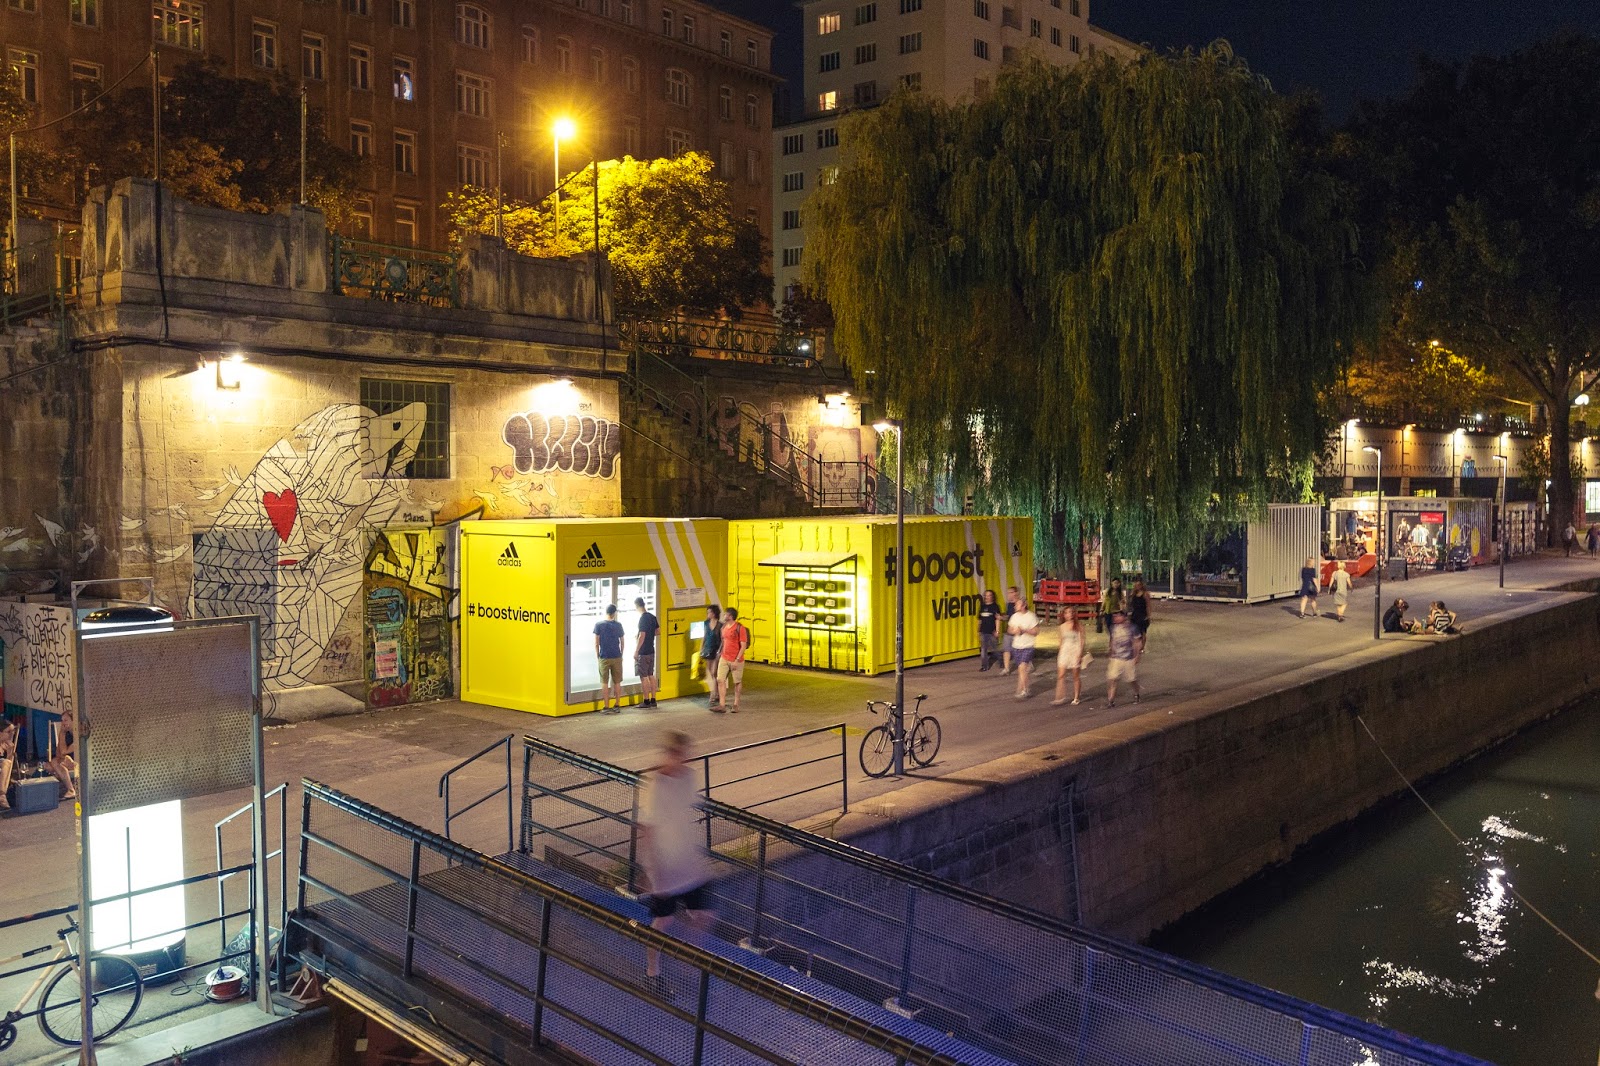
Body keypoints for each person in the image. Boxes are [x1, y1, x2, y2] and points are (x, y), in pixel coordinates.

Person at [637, 730, 713, 984]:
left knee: (704, 915)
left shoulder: (688, 777)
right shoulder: (655, 785)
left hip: (687, 861)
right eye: (679, 754)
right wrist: (653, 871)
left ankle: (688, 959)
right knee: (663, 919)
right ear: (669, 754)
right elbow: (648, 828)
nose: (683, 760)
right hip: (665, 863)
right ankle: (652, 971)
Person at [716, 607, 750, 713]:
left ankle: (736, 704)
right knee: (720, 680)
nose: (724, 616)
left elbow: (743, 646)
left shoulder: (740, 628)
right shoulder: (724, 627)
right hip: (724, 657)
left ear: (730, 616)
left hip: (736, 659)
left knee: (737, 682)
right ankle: (722, 705)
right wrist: (720, 652)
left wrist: (737, 659)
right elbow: (723, 641)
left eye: (725, 614)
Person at [594, 605, 627, 713]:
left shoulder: (598, 625)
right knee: (617, 682)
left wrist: (598, 655)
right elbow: (622, 642)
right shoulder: (618, 625)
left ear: (606, 612)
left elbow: (596, 643)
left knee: (604, 682)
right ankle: (617, 704)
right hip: (616, 656)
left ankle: (606, 706)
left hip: (604, 656)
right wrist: (621, 654)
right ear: (614, 613)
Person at [1052, 611, 1090, 707]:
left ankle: (1076, 697)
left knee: (1075, 676)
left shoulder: (1078, 626)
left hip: (1075, 651)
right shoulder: (1062, 627)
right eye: (1066, 613)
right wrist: (1060, 652)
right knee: (1060, 675)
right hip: (1065, 651)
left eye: (1070, 612)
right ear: (1064, 615)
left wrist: (1079, 654)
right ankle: (1059, 697)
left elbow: (1082, 641)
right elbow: (1061, 640)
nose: (1069, 614)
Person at [1105, 610, 1140, 707]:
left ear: (1124, 617)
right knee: (1112, 678)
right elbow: (1112, 640)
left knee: (1131, 679)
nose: (1115, 618)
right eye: (1114, 616)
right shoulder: (1113, 628)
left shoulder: (1132, 628)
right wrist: (1111, 651)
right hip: (1116, 658)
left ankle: (1136, 693)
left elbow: (1137, 642)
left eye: (1118, 616)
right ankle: (1111, 700)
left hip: (1128, 658)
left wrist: (1137, 655)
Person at [1007, 597, 1040, 699]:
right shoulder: (1014, 617)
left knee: (1022, 667)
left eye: (1017, 604)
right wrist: (1015, 631)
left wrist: (1024, 630)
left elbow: (1036, 632)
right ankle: (1022, 688)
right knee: (1021, 670)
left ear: (1023, 605)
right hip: (1016, 646)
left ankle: (1024, 690)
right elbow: (1009, 630)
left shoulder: (1031, 616)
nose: (1015, 606)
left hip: (1028, 646)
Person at [634, 597, 661, 708]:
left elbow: (642, 635)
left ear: (637, 606)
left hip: (643, 652)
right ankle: (653, 699)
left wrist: (636, 651)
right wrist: (650, 635)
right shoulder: (652, 617)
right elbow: (658, 631)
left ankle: (646, 701)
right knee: (651, 675)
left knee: (643, 676)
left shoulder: (642, 619)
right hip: (651, 650)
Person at [700, 605, 723, 708]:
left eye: (709, 612)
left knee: (714, 672)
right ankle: (716, 693)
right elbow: (704, 636)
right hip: (708, 650)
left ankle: (713, 695)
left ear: (714, 613)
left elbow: (722, 640)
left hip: (716, 650)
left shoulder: (720, 625)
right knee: (711, 672)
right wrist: (701, 649)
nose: (707, 614)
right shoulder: (706, 623)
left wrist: (720, 651)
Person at [976, 589, 1002, 671]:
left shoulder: (995, 606)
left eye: (989, 595)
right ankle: (984, 666)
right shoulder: (982, 606)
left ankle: (1001, 662)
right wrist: (978, 630)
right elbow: (980, 619)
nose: (987, 597)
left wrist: (997, 631)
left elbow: (997, 619)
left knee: (995, 649)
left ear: (992, 597)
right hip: (983, 631)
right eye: (986, 595)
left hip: (992, 632)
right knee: (983, 650)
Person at [1000, 586, 1019, 675]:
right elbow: (1008, 616)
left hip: (1018, 631)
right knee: (1006, 650)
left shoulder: (1020, 604)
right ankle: (1006, 669)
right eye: (1008, 593)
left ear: (1015, 593)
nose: (1008, 595)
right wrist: (1001, 617)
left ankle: (1028, 664)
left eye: (1010, 592)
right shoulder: (1009, 605)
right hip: (1009, 630)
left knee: (1020, 650)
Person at [1128, 579, 1152, 650]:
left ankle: (1142, 647)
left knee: (1142, 632)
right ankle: (1135, 645)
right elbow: (1131, 605)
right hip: (1135, 614)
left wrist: (1148, 616)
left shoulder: (1145, 594)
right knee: (1134, 631)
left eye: (1138, 585)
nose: (1137, 586)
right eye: (1135, 585)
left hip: (1142, 614)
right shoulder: (1133, 594)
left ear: (1141, 585)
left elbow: (1148, 605)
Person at [0, 716, 16, 812]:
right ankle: (2, 795)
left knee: (7, 763)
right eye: (9, 731)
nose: (12, 734)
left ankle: (2, 795)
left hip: (3, 771)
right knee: (5, 762)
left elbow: (10, 766)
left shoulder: (6, 744)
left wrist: (10, 753)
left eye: (13, 731)